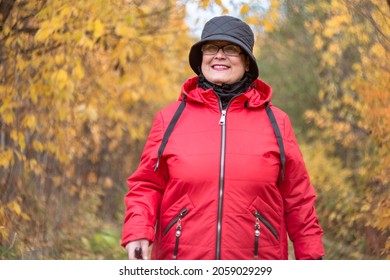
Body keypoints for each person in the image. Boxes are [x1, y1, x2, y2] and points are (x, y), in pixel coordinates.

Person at [121, 15, 325, 260]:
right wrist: (137, 231)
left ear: (247, 62)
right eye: (210, 48)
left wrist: (311, 258)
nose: (219, 55)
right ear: (201, 59)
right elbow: (147, 185)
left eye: (231, 49)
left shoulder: (277, 122)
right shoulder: (169, 118)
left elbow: (298, 198)